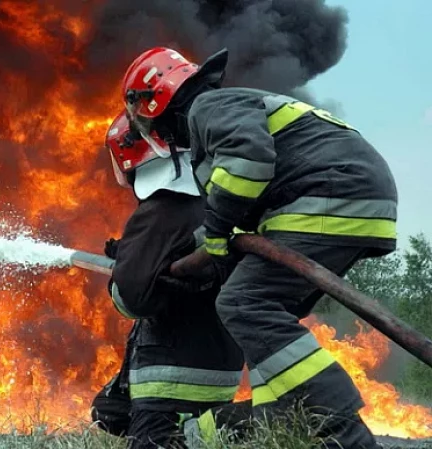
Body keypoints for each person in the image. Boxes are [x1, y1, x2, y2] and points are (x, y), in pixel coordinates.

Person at [118, 46, 398, 448]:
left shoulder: (208, 107)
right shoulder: (227, 111)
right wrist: (195, 254)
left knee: (242, 303)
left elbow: (249, 163)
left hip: (328, 194)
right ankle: (281, 415)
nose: (157, 134)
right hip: (351, 197)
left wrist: (214, 234)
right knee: (269, 311)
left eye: (146, 121)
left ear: (155, 101)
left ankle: (342, 431)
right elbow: (241, 207)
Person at [90, 110, 246, 449]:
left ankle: (242, 425)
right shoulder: (215, 203)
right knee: (109, 411)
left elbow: (131, 299)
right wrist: (137, 257)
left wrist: (123, 272)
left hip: (171, 377)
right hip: (220, 367)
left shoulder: (162, 208)